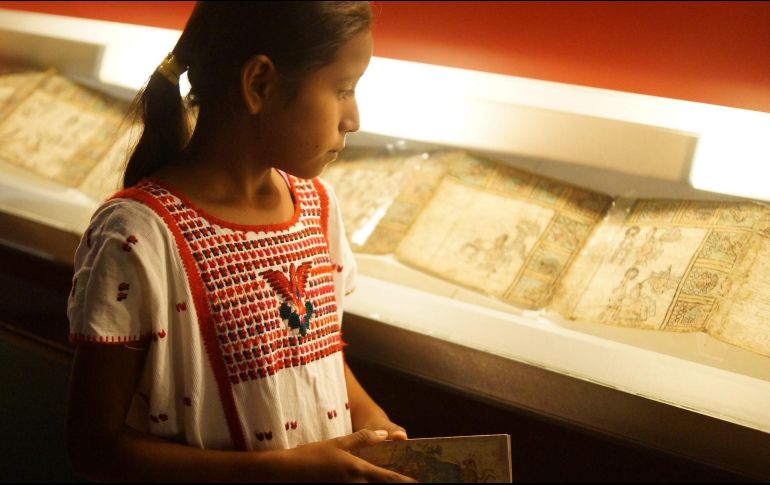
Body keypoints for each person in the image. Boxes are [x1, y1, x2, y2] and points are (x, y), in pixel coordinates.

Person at [65, 2, 415, 482]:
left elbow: (313, 354)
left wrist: (370, 420)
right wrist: (277, 470)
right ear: (260, 85)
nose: (353, 118)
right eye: (342, 89)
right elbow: (94, 449)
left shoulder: (319, 206)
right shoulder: (138, 236)